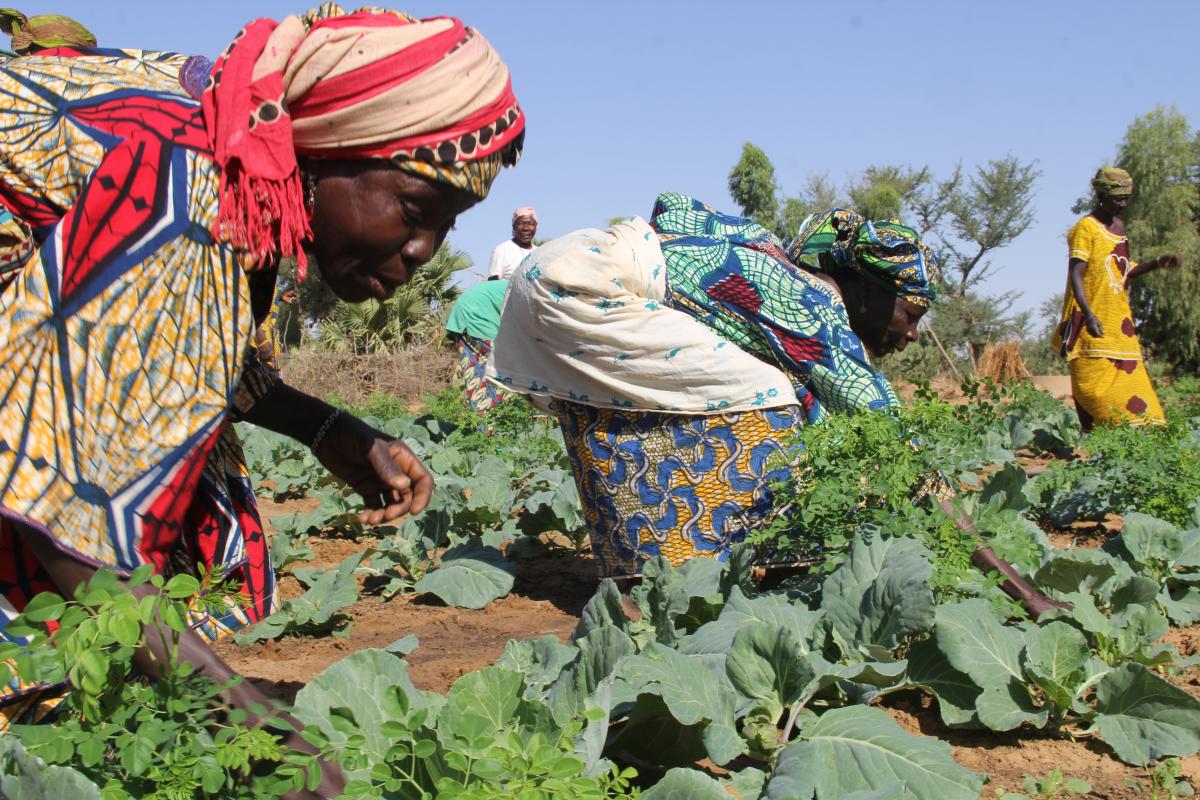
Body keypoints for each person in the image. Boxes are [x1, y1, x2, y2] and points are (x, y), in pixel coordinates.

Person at [0, 6, 524, 791]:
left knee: (198, 523)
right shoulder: (182, 185)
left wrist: (328, 428)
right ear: (331, 150)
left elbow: (187, 358)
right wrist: (248, 721)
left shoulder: (238, 153)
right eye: (414, 210)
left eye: (447, 226)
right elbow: (69, 508)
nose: (423, 252)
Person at [490, 192, 1062, 617]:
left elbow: (672, 209)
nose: (912, 334)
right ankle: (746, 561)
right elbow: (896, 450)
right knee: (776, 398)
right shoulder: (814, 307)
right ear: (863, 290)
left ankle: (638, 579)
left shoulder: (779, 272)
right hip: (583, 285)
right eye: (911, 315)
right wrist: (1027, 594)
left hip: (558, 271)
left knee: (631, 408)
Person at [1054, 167, 1182, 431]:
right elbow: (1076, 274)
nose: (1123, 204)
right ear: (1101, 195)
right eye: (1117, 199)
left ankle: (1133, 435)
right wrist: (1088, 313)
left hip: (1117, 319)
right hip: (1091, 317)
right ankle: (1095, 437)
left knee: (1130, 381)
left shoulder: (1120, 227)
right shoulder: (1085, 228)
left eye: (1127, 199)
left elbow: (1124, 270)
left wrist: (1157, 263)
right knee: (1092, 386)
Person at [445, 278, 511, 412]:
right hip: (476, 316)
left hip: (467, 314)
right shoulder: (534, 293)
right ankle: (499, 422)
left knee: (479, 376)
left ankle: (487, 425)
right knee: (508, 373)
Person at [487, 206, 538, 279]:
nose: (526, 228)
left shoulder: (539, 252)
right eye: (520, 223)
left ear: (536, 227)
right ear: (514, 227)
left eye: (530, 223)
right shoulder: (502, 250)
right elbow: (493, 283)